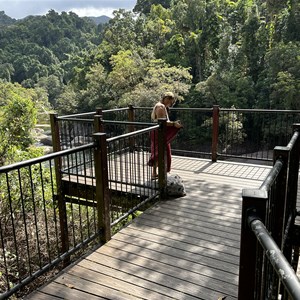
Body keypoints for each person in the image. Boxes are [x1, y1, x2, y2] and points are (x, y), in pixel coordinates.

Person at [148, 91, 183, 179]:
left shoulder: (162, 106)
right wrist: (174, 124)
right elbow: (162, 122)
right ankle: (159, 174)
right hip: (158, 132)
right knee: (160, 152)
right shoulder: (160, 107)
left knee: (159, 152)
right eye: (170, 101)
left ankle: (156, 173)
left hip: (158, 132)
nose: (170, 104)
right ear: (166, 98)